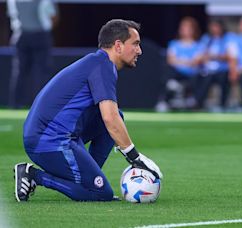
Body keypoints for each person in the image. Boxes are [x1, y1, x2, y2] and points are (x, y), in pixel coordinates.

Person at [14, 19, 163, 202]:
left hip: (51, 135)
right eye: (136, 44)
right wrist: (135, 157)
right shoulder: (102, 65)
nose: (139, 50)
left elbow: (111, 118)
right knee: (101, 194)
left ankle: (90, 179)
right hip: (48, 140)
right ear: (118, 45)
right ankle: (34, 175)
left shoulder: (98, 62)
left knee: (118, 118)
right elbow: (110, 117)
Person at [7, 0, 58, 108]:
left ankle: (17, 103)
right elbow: (53, 17)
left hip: (20, 35)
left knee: (20, 70)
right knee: (41, 71)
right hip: (40, 36)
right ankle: (41, 104)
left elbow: (11, 15)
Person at [156, 17, 203, 111]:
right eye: (182, 28)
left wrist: (180, 61)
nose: (184, 30)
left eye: (187, 28)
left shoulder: (199, 45)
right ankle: (164, 100)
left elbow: (196, 62)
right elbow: (171, 60)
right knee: (166, 70)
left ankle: (192, 99)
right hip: (176, 72)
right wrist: (187, 61)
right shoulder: (174, 44)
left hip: (192, 74)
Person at [196, 19, 231, 111]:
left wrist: (216, 56)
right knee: (203, 79)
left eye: (217, 27)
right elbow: (201, 54)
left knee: (224, 79)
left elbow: (230, 55)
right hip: (208, 70)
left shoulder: (227, 39)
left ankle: (223, 104)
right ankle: (198, 104)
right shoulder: (207, 39)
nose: (214, 29)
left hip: (222, 70)